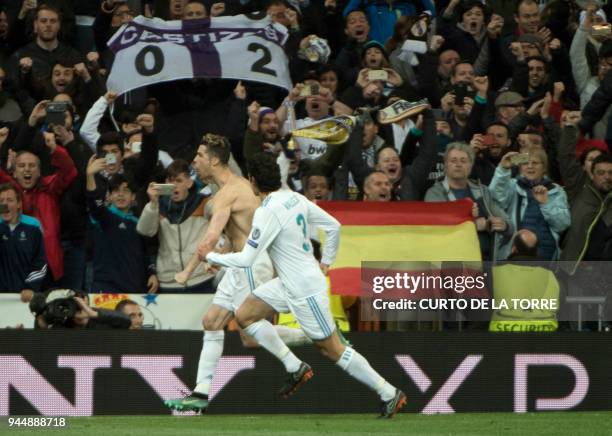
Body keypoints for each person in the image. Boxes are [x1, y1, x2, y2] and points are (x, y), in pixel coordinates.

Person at [205, 152, 407, 418]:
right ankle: (293, 366)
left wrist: (210, 255)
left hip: (304, 289)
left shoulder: (267, 212)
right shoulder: (295, 198)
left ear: (253, 182)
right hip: (291, 282)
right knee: (245, 314)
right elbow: (333, 226)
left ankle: (389, 392)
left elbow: (246, 259)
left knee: (332, 349)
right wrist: (328, 261)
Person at [165, 133, 285, 413]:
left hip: (254, 265)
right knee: (212, 321)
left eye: (199, 156)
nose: (194, 161)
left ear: (215, 160)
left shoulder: (228, 192)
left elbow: (209, 239)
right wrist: (223, 256)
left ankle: (313, 336)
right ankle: (200, 395)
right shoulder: (230, 190)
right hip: (240, 263)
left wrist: (187, 271)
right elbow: (237, 234)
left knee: (249, 337)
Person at [0, 183, 47, 297]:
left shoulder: (33, 227)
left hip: (25, 295)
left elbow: (40, 262)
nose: (5, 204)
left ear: (19, 204)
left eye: (10, 200)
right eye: (1, 201)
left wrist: (30, 287)